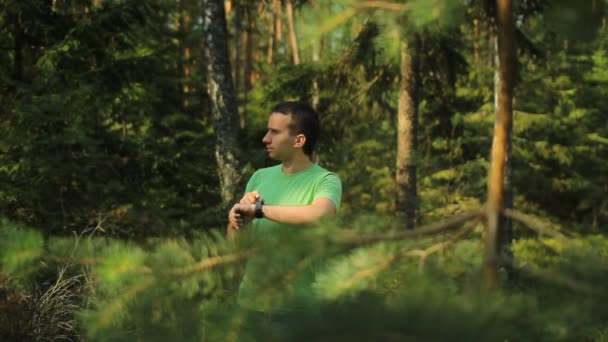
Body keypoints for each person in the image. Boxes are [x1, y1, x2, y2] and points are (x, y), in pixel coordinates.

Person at [226, 101, 342, 314]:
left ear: (299, 140)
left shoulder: (326, 181)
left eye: (274, 132)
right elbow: (237, 248)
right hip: (250, 307)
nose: (265, 139)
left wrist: (260, 210)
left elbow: (321, 214)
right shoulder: (259, 177)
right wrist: (236, 221)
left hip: (298, 313)